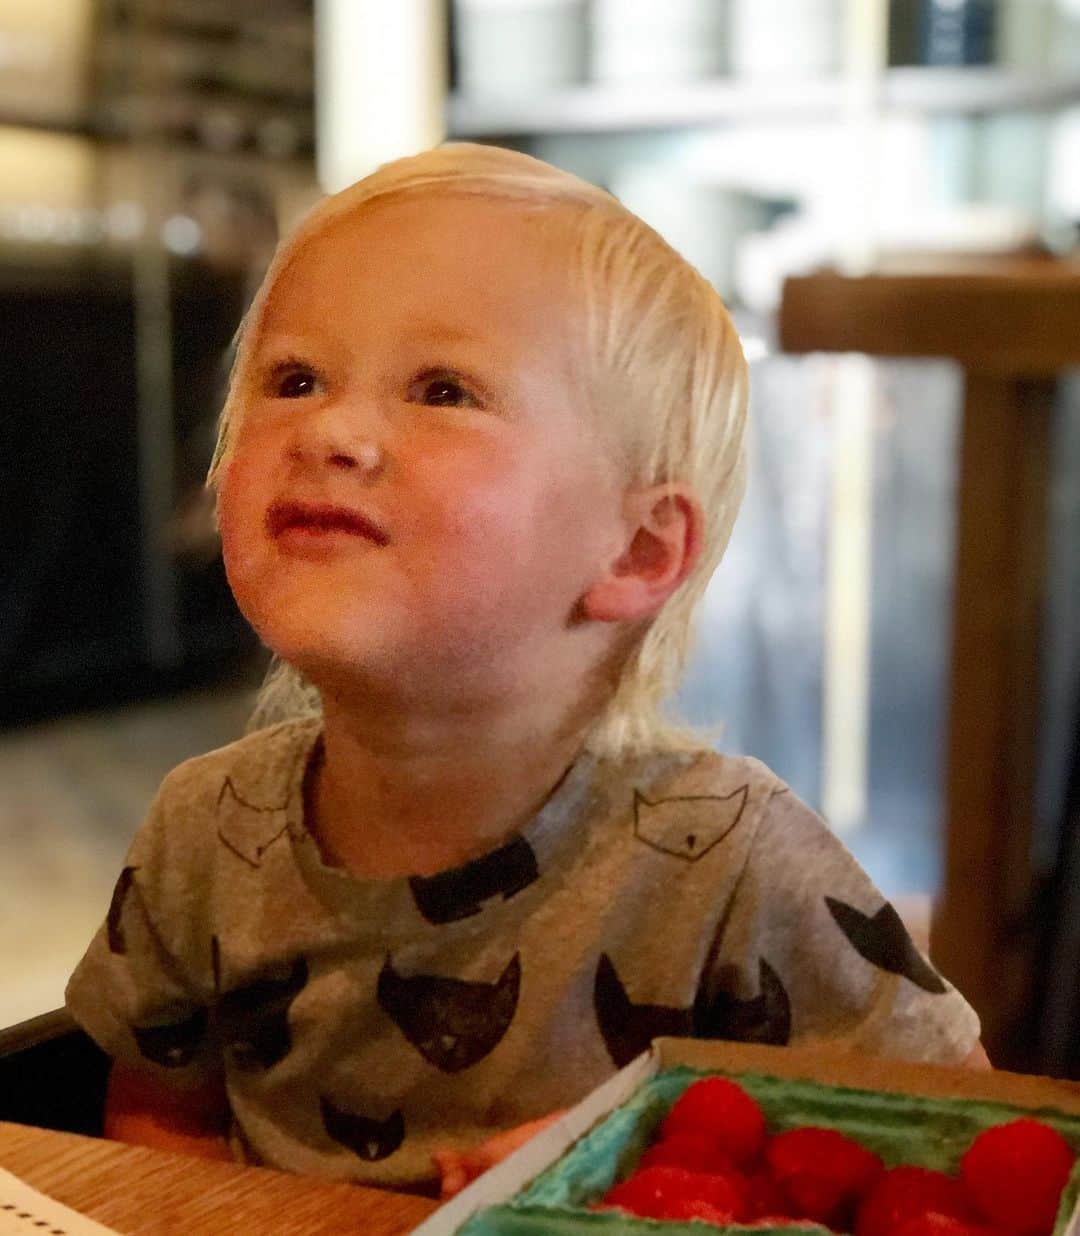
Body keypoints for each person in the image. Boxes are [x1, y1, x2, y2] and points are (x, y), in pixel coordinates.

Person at [65, 143, 987, 1200]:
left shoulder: (733, 864)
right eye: (295, 378)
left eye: (443, 390)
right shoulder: (203, 828)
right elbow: (154, 1117)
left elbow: (968, 1130)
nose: (331, 429)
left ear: (637, 552)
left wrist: (663, 1133)